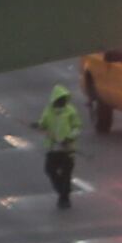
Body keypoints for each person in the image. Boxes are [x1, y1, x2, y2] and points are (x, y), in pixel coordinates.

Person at [37, 81, 82, 210]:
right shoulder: (49, 111)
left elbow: (77, 127)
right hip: (53, 148)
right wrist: (38, 125)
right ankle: (62, 191)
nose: (62, 102)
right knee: (50, 170)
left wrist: (69, 138)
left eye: (63, 99)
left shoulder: (70, 111)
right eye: (60, 99)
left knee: (66, 173)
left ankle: (64, 198)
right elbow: (43, 124)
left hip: (67, 149)